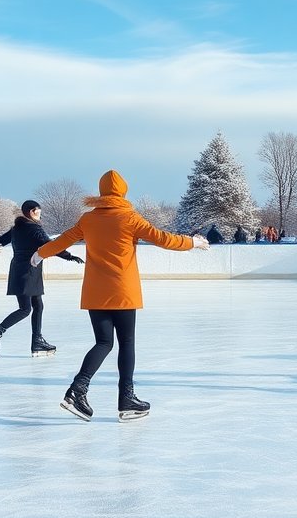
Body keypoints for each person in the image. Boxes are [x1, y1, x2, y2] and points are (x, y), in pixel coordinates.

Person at [36, 170, 208, 421]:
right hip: (123, 291)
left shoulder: (88, 220)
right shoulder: (130, 218)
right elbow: (163, 239)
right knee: (126, 343)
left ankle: (77, 390)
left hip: (95, 292)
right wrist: (192, 242)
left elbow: (63, 240)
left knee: (104, 343)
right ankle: (126, 399)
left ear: (102, 191)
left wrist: (40, 253)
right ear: (123, 191)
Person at [0, 200, 84, 358]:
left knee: (38, 305)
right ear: (31, 212)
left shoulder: (17, 228)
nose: (40, 214)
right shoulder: (34, 228)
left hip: (22, 270)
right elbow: (51, 245)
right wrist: (69, 256)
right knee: (25, 309)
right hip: (28, 272)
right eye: (38, 211)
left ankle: (37, 340)